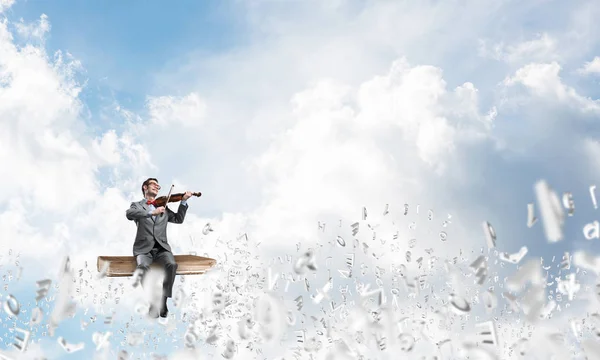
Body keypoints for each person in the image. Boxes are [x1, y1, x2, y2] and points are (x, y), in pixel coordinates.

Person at [125, 177, 191, 318]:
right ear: (145, 187)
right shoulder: (137, 205)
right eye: (154, 184)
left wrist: (183, 201)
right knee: (142, 268)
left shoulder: (164, 207)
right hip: (144, 249)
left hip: (162, 248)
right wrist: (150, 213)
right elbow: (129, 214)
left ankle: (163, 300)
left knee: (172, 265)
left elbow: (179, 219)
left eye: (159, 186)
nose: (157, 187)